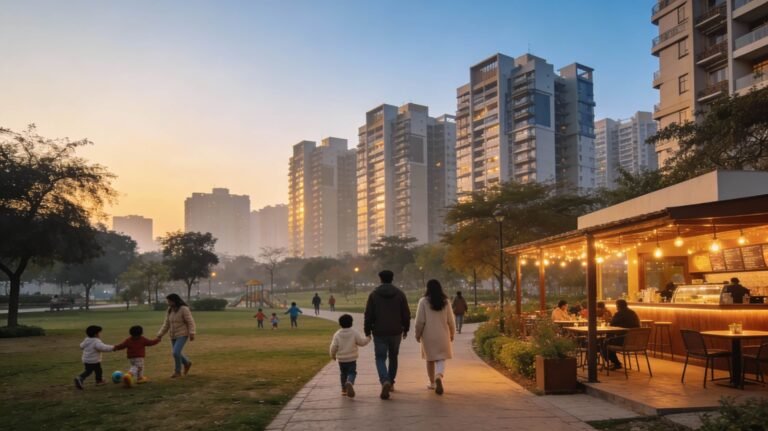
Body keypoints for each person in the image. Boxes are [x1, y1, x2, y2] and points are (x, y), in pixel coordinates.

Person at [364, 269, 411, 400]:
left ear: (380, 279)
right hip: (396, 331)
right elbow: (406, 314)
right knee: (393, 356)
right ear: (392, 278)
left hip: (379, 331)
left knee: (380, 357)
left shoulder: (374, 294)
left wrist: (367, 330)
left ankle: (384, 380)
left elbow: (368, 315)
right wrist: (406, 328)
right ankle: (391, 383)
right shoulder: (400, 294)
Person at [415, 280, 456, 395]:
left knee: (430, 359)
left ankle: (432, 382)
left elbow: (419, 321)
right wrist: (452, 333)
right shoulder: (446, 302)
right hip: (443, 334)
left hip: (428, 336)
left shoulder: (423, 301)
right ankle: (439, 376)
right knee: (441, 358)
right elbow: (451, 321)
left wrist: (417, 334)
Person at [329, 314, 371, 398]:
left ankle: (344, 390)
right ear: (351, 323)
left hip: (341, 360)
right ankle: (350, 382)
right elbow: (361, 342)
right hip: (352, 359)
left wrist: (332, 355)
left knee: (343, 374)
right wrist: (368, 338)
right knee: (352, 372)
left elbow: (333, 346)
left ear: (340, 324)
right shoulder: (354, 332)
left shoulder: (337, 334)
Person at [157, 293, 196, 378]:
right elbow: (166, 324)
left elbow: (190, 321)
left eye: (169, 301)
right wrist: (160, 334)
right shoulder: (169, 310)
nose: (168, 302)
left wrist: (192, 333)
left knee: (175, 352)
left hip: (183, 334)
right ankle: (187, 363)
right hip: (173, 335)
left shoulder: (184, 309)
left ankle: (177, 372)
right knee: (177, 353)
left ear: (174, 300)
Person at [74, 325, 114, 389]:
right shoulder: (96, 341)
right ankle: (80, 378)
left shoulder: (87, 339)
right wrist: (113, 348)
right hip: (93, 360)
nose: (100, 334)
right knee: (89, 371)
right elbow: (103, 348)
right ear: (96, 334)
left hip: (86, 359)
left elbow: (81, 346)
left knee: (98, 370)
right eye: (99, 333)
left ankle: (99, 380)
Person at [604, 299, 640, 370]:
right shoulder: (633, 313)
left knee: (605, 342)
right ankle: (614, 363)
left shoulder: (619, 313)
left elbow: (611, 325)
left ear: (618, 306)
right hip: (634, 341)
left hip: (624, 340)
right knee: (608, 339)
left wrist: (608, 319)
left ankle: (616, 363)